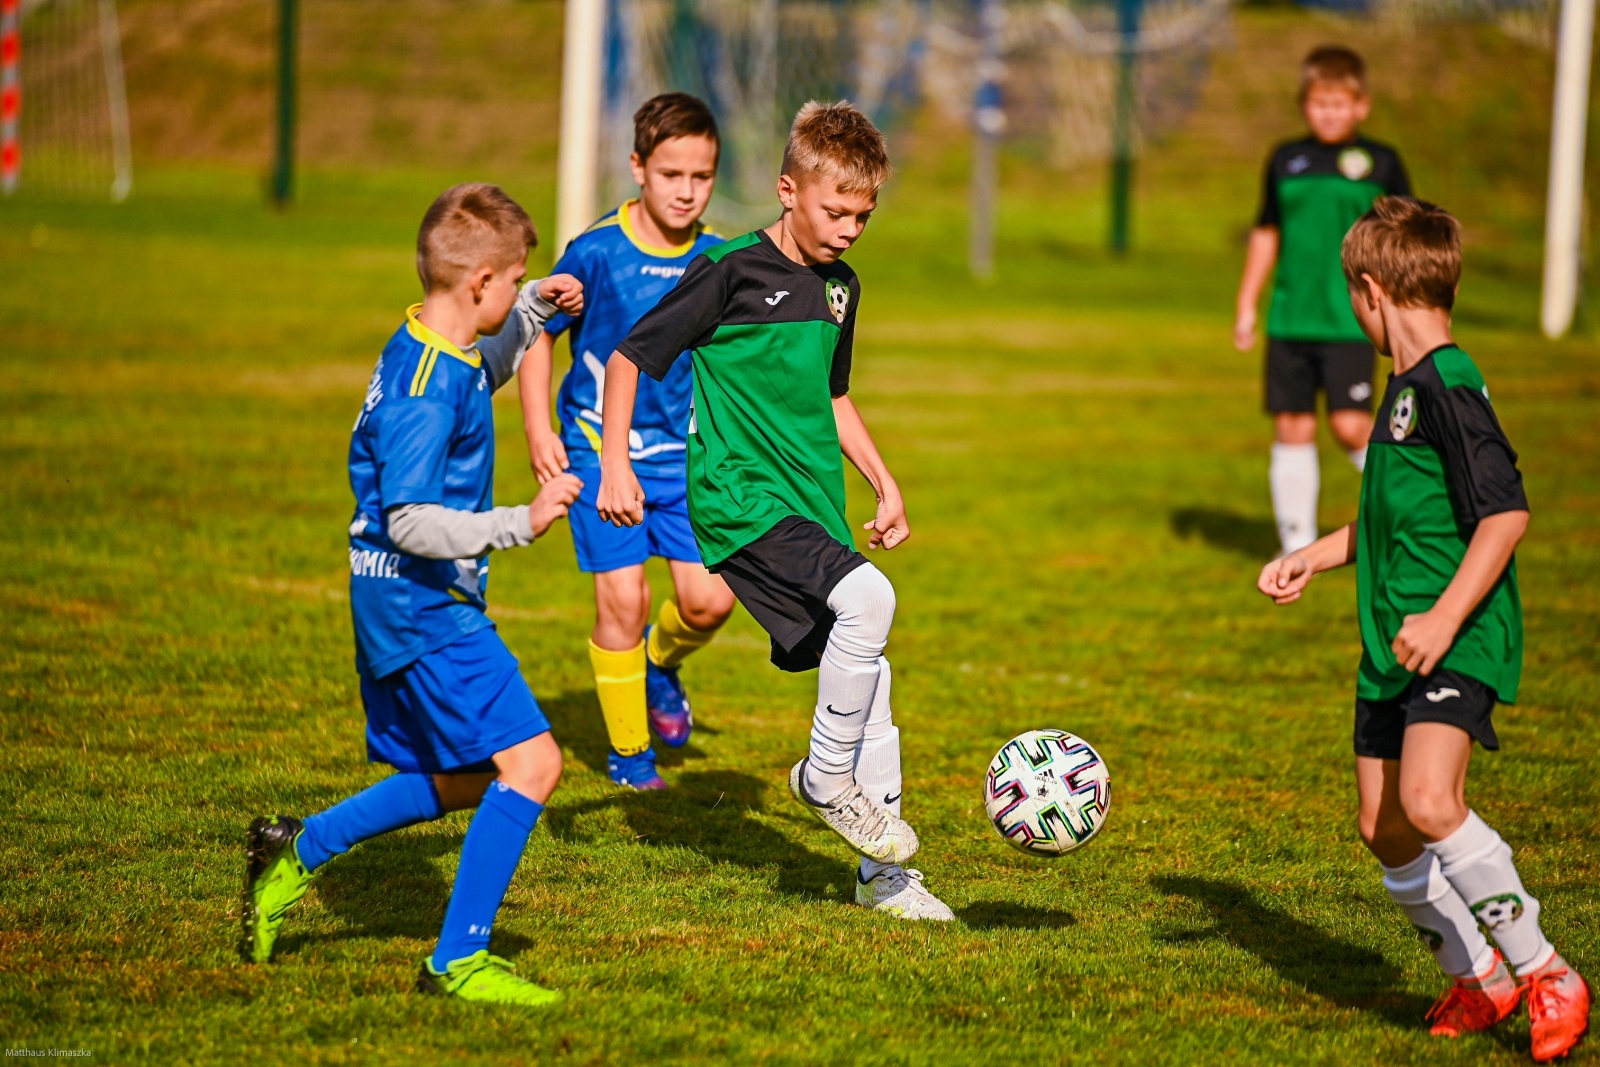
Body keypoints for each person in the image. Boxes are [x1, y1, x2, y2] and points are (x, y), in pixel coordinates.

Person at [594, 101, 953, 921]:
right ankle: (823, 778)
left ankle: (883, 879)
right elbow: (628, 355)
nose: (851, 229)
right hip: (738, 499)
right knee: (872, 598)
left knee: (877, 683)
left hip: (809, 504)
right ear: (789, 191)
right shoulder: (728, 271)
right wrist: (615, 461)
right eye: (836, 211)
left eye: (864, 215)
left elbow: (832, 395)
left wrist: (882, 480)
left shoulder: (840, 289)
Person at [240, 183, 589, 1008]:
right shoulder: (424, 388)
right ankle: (458, 960)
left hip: (410, 601)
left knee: (469, 772)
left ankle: (297, 849)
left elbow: (485, 369)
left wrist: (535, 308)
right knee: (535, 764)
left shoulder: (439, 345)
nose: (516, 289)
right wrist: (518, 521)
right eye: (514, 279)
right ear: (478, 285)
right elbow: (410, 518)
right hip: (420, 600)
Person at [1257, 197, 1588, 1061]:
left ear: (1370, 291)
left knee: (1431, 801)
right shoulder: (1405, 390)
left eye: (1352, 300)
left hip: (1456, 632)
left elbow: (1505, 514)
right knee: (1386, 828)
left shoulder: (1447, 383)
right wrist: (1312, 557)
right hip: (1392, 640)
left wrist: (1444, 617)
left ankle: (1546, 968)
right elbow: (1385, 524)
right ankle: (1479, 974)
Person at [520, 93, 735, 791]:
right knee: (624, 602)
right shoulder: (598, 252)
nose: (686, 190)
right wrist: (537, 428)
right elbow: (536, 337)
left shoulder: (718, 260)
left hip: (682, 455)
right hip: (594, 446)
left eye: (701, 176)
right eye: (672, 174)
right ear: (639, 167)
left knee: (710, 602)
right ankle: (632, 760)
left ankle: (660, 667)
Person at [1234, 45, 1411, 555]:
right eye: (1319, 103)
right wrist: (1247, 302)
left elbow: (1403, 236)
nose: (1329, 112)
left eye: (1340, 103)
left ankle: (1409, 509)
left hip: (1351, 319)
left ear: (1362, 106)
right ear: (1304, 104)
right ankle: (1297, 543)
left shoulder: (1380, 163)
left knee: (1350, 424)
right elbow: (1267, 232)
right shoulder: (1286, 160)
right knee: (1291, 425)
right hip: (1292, 316)